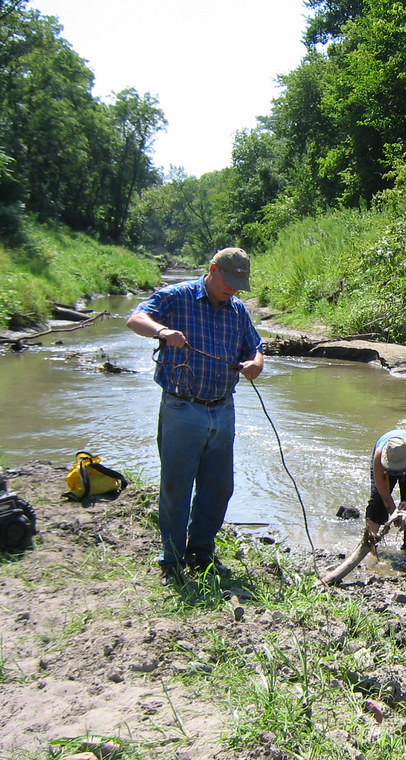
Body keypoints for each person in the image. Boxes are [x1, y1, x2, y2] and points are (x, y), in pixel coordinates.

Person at [126, 247, 264, 584]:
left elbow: (255, 347)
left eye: (239, 283)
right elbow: (135, 318)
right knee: (177, 487)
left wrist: (255, 364)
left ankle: (201, 552)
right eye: (229, 280)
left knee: (219, 488)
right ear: (213, 269)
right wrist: (162, 332)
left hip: (223, 408)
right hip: (181, 407)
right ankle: (171, 560)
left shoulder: (237, 310)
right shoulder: (177, 296)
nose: (233, 288)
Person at [366, 429, 406, 550]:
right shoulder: (379, 455)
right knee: (377, 501)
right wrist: (393, 512)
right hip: (385, 467)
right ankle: (369, 543)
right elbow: (383, 493)